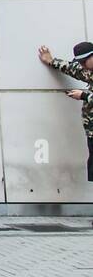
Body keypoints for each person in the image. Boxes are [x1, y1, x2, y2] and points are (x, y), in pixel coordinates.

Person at [37, 43, 93, 181]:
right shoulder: (88, 69)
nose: (82, 65)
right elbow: (72, 69)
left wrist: (84, 96)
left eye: (84, 61)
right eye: (80, 62)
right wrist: (51, 61)